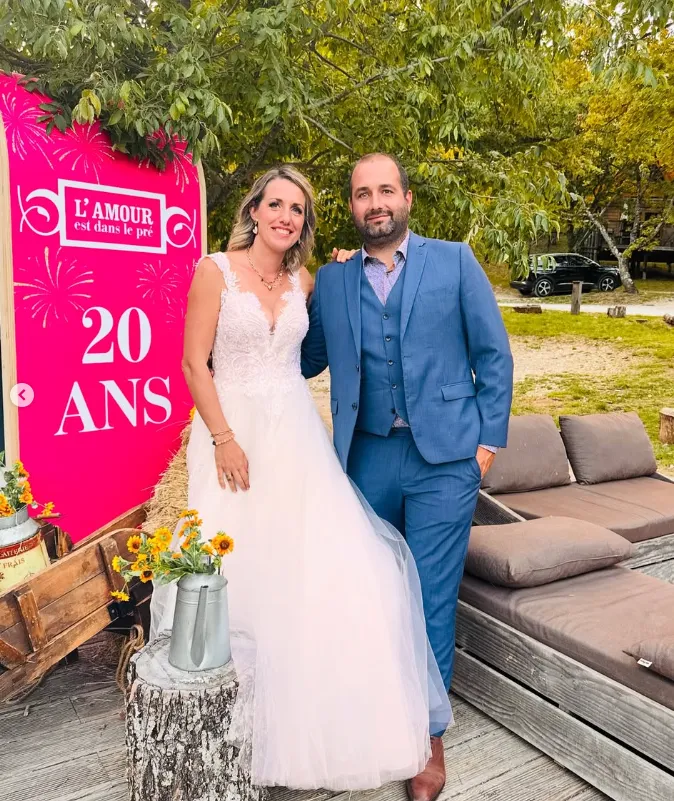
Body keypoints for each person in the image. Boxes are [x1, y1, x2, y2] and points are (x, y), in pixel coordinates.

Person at [150, 165, 451, 792]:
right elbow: (193, 364)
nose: (285, 217)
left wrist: (342, 272)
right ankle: (230, 728)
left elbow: (317, 349)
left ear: (303, 223)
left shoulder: (306, 281)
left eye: (297, 209)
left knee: (318, 569)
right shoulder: (214, 271)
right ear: (254, 210)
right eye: (276, 205)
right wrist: (224, 438)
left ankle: (320, 724)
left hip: (296, 437)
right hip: (233, 435)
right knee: (241, 567)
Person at [302, 153, 514, 801]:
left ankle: (426, 736)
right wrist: (292, 288)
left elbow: (493, 354)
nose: (376, 203)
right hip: (366, 458)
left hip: (445, 460)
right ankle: (375, 715)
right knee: (368, 595)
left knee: (429, 597)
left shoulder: (454, 261)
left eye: (385, 190)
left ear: (407, 198)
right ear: (352, 206)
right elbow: (305, 359)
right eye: (363, 193)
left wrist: (486, 445)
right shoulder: (334, 280)